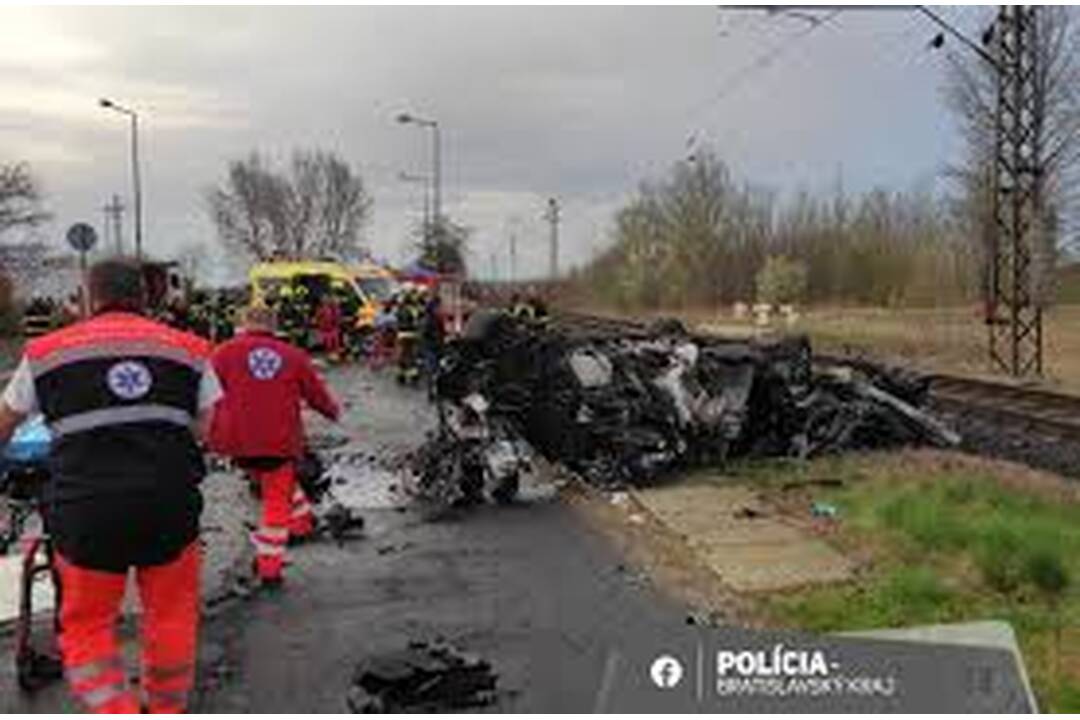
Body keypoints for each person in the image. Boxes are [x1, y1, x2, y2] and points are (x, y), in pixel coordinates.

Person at [0, 258, 221, 713]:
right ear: (144, 296)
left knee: (87, 622)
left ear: (88, 297)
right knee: (171, 615)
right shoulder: (192, 349)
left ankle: (112, 709)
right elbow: (206, 432)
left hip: (85, 514)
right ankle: (165, 707)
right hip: (169, 508)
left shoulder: (46, 352)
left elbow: (5, 423)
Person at [209, 305, 341, 587]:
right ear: (274, 325)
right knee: (275, 503)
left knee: (275, 482)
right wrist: (332, 412)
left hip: (239, 442)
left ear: (243, 323)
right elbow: (316, 394)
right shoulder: (292, 355)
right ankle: (270, 568)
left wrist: (209, 435)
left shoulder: (223, 353)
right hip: (279, 441)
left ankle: (303, 523)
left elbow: (206, 395)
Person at [315, 294, 343, 361]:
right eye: (324, 299)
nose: (326, 300)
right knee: (328, 343)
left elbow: (336, 318)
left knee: (335, 342)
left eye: (327, 299)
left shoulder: (333, 308)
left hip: (332, 328)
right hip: (325, 328)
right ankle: (330, 356)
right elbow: (318, 317)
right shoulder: (321, 308)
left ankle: (334, 356)